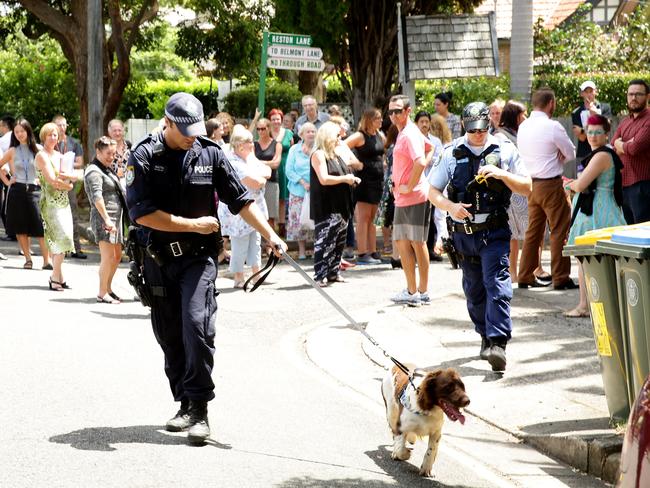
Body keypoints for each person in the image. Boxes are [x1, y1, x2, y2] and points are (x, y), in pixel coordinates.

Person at [125, 92, 286, 444]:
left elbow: (241, 200)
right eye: (184, 130)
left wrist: (271, 235)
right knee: (170, 336)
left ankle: (199, 408)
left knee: (196, 325)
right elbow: (141, 214)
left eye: (195, 129)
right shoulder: (144, 155)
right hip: (156, 259)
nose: (191, 136)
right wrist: (192, 224)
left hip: (198, 258)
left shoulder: (210, 153)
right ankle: (184, 403)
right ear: (166, 122)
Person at [428, 102, 532, 372]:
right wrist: (451, 207)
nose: (477, 135)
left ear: (489, 125)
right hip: (463, 235)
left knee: (496, 284)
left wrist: (501, 174)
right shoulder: (451, 153)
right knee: (474, 292)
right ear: (464, 125)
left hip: (495, 232)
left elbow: (528, 186)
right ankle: (485, 335)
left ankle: (498, 344)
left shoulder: (505, 149)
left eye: (482, 129)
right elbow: (432, 192)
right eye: (472, 130)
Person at [566, 114, 626, 318]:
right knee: (590, 259)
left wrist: (569, 184)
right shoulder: (602, 154)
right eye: (589, 131)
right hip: (597, 208)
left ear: (606, 134)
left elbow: (581, 185)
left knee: (586, 258)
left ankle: (584, 305)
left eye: (597, 132)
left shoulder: (602, 155)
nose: (592, 135)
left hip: (598, 211)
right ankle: (591, 303)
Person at [517, 88, 577, 290]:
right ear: (551, 103)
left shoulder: (523, 126)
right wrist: (559, 154)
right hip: (551, 183)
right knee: (560, 229)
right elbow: (570, 153)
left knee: (533, 232)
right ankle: (560, 276)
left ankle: (525, 275)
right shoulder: (552, 126)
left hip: (531, 184)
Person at [493, 100, 550, 284]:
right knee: (521, 233)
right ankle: (517, 273)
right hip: (515, 189)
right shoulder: (501, 137)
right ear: (514, 116)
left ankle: (530, 270)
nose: (525, 118)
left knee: (528, 233)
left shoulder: (518, 134)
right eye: (522, 114)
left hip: (522, 187)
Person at [387, 95, 434, 307]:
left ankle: (420, 292)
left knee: (415, 242)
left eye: (398, 111)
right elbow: (429, 147)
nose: (393, 115)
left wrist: (409, 185)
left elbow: (421, 161)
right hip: (406, 197)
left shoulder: (408, 134)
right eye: (390, 111)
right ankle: (414, 290)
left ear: (407, 111)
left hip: (412, 196)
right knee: (404, 242)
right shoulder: (408, 132)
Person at [218, 125, 271, 288]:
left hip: (254, 207)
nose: (253, 145)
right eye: (250, 143)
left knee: (255, 242)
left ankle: (256, 274)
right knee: (240, 243)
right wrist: (261, 178)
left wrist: (261, 177)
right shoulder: (233, 162)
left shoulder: (248, 158)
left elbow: (267, 171)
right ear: (241, 146)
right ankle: (238, 277)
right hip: (239, 211)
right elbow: (255, 182)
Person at [310, 121, 359, 287]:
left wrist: (352, 179)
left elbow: (347, 171)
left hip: (342, 205)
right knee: (325, 241)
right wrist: (346, 179)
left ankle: (333, 272)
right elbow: (324, 179)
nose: (341, 138)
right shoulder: (318, 154)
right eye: (337, 135)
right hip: (326, 206)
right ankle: (320, 274)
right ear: (329, 137)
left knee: (339, 241)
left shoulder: (336, 154)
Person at [0, 118, 50, 269]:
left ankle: (47, 261)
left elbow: (48, 168)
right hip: (17, 190)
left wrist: (43, 180)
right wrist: (8, 181)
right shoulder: (12, 151)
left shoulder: (39, 149)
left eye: (22, 131)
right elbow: (1, 167)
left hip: (35, 191)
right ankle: (28, 259)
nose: (20, 134)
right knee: (20, 227)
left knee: (40, 227)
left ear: (28, 131)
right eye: (16, 132)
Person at [35, 122, 77, 291]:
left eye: (55, 135)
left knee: (64, 240)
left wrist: (69, 183)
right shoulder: (41, 156)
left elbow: (70, 178)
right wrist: (68, 185)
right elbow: (53, 181)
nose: (53, 137)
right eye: (49, 134)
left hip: (63, 202)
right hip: (50, 203)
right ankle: (54, 277)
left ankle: (60, 275)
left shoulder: (61, 156)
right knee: (61, 238)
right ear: (43, 136)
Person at [84, 137, 126, 304]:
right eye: (108, 153)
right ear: (98, 152)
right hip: (104, 219)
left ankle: (108, 288)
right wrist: (107, 220)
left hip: (116, 219)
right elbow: (97, 197)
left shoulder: (107, 169)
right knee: (108, 257)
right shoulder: (94, 171)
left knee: (116, 256)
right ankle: (102, 293)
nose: (112, 157)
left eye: (114, 153)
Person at [345, 108, 386, 264]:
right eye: (377, 118)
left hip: (377, 180)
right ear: (369, 119)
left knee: (373, 218)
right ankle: (362, 253)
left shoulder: (379, 135)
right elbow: (342, 146)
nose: (381, 121)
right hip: (364, 180)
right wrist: (355, 163)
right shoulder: (359, 136)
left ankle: (372, 251)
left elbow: (381, 153)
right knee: (363, 217)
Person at [612, 79, 650, 224]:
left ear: (647, 97)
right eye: (630, 94)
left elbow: (635, 149)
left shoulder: (648, 120)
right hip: (625, 186)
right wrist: (625, 144)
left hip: (643, 186)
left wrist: (621, 145)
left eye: (638, 94)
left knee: (644, 234)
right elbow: (613, 145)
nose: (633, 98)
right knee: (630, 234)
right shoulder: (625, 122)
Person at [53, 115, 86, 259]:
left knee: (73, 215)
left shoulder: (74, 143)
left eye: (64, 125)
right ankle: (60, 248)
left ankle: (76, 248)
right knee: (56, 215)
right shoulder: (50, 142)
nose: (61, 127)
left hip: (69, 183)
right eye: (58, 125)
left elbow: (80, 162)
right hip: (54, 182)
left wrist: (65, 163)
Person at [285, 122, 316, 259]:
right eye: (308, 132)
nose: (311, 134)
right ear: (302, 135)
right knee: (299, 222)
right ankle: (302, 251)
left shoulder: (317, 149)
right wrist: (302, 182)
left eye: (313, 131)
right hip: (298, 191)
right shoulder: (294, 150)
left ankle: (317, 249)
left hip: (316, 191)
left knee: (315, 221)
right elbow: (289, 170)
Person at [571, 81, 612, 175]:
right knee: (583, 186)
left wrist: (597, 115)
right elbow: (582, 137)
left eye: (591, 91)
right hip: (583, 154)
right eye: (586, 91)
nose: (589, 94)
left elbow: (607, 128)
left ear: (596, 92)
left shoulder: (605, 108)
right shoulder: (576, 113)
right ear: (581, 93)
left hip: (602, 152)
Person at [269, 108, 294, 239]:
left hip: (284, 165)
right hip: (271, 165)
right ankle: (271, 224)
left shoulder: (288, 133)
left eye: (278, 119)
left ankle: (282, 225)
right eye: (273, 119)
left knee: (283, 197)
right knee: (272, 196)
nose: (276, 122)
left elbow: (292, 148)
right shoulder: (267, 132)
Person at [254, 118, 282, 234]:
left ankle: (271, 247)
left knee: (270, 216)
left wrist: (259, 162)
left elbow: (276, 164)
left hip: (271, 182)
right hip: (255, 182)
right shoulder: (253, 144)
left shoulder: (276, 144)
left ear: (268, 128)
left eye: (263, 129)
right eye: (258, 129)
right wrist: (267, 163)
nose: (260, 131)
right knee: (256, 214)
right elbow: (249, 162)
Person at [107, 119, 132, 185]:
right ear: (109, 132)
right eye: (114, 131)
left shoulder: (130, 146)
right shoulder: (106, 148)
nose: (117, 133)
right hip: (113, 185)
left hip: (129, 184)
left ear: (123, 131)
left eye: (119, 130)